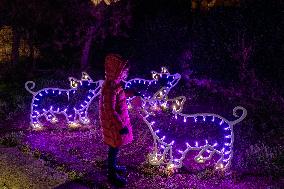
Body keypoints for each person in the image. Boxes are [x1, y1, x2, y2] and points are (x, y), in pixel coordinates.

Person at [99, 53, 140, 187]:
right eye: (124, 71)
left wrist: (131, 93)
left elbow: (119, 96)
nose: (126, 73)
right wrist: (121, 126)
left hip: (115, 123)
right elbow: (110, 109)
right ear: (117, 71)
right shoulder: (110, 87)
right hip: (114, 125)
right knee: (114, 147)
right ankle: (111, 175)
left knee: (115, 147)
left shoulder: (114, 85)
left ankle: (113, 167)